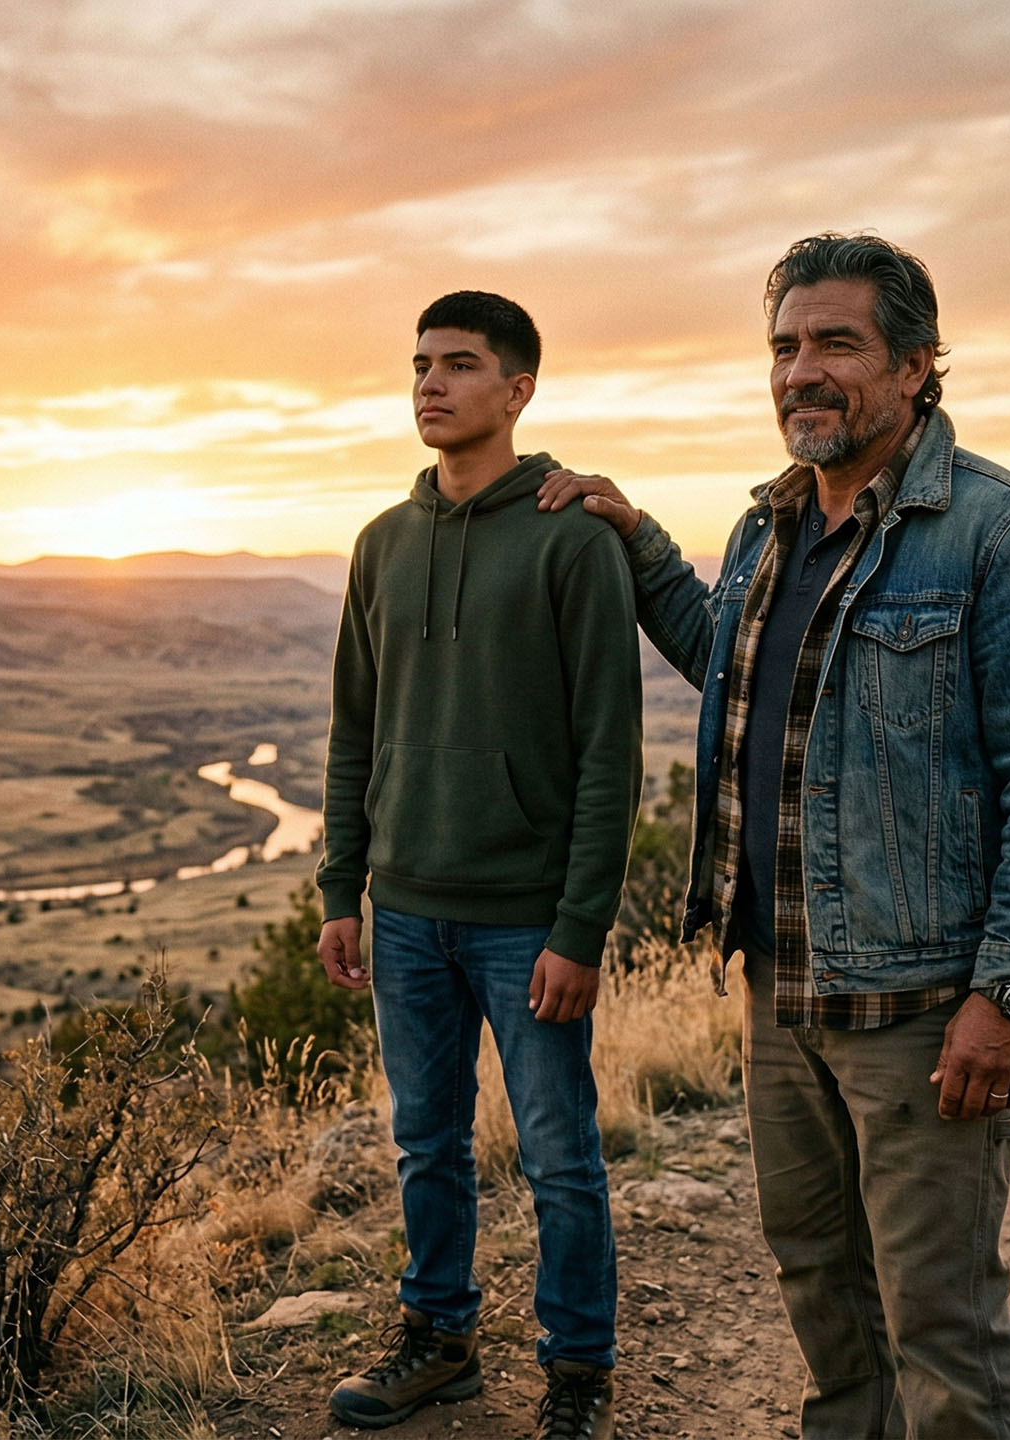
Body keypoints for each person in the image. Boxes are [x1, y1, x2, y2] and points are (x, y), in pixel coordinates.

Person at [535, 234, 1010, 1439]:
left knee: (938, 1322)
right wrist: (642, 544)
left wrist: (1009, 995)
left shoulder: (1004, 534)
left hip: (916, 1000)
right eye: (785, 346)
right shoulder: (767, 529)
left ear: (914, 365)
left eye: (835, 343)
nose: (802, 370)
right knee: (820, 1290)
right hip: (779, 986)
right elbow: (733, 673)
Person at [315, 290, 642, 1438]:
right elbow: (355, 728)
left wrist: (579, 927)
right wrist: (340, 888)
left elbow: (611, 748)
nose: (430, 384)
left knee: (558, 1155)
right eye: (418, 365)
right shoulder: (381, 545)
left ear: (518, 389)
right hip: (404, 911)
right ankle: (439, 1339)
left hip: (524, 922)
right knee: (426, 1144)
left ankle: (577, 1377)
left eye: (459, 365)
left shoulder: (571, 539)